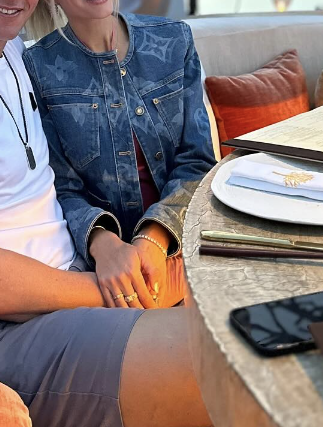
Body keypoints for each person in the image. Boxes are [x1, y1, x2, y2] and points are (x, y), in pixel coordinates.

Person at [0, 0, 215, 427]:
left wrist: (129, 252)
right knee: (232, 361)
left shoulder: (10, 53)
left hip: (66, 288)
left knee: (266, 323)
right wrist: (119, 292)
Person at [23, 0, 215, 310]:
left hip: (184, 243)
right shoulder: (36, 67)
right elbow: (59, 187)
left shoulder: (174, 39)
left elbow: (198, 161)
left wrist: (154, 237)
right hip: (102, 266)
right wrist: (103, 244)